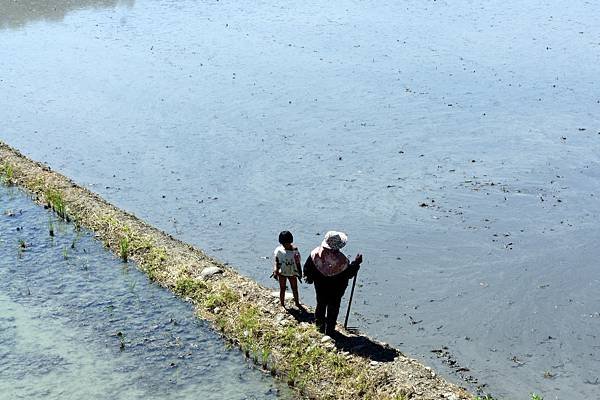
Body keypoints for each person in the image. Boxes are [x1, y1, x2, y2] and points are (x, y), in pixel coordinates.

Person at [303, 231, 362, 336]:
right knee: (333, 308)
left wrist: (310, 278)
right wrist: (356, 263)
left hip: (320, 286)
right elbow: (349, 274)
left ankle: (319, 327)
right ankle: (330, 330)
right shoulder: (342, 261)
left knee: (320, 305)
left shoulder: (316, 254)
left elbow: (307, 268)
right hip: (336, 290)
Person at [273, 230, 303, 309]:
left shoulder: (295, 251)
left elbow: (298, 262)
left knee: (294, 288)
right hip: (282, 272)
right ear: (281, 243)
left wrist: (300, 273)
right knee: (282, 288)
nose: (286, 245)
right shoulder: (279, 251)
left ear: (291, 241)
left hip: (292, 272)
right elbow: (277, 261)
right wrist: (275, 270)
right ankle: (282, 304)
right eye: (284, 244)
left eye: (287, 243)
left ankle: (297, 303)